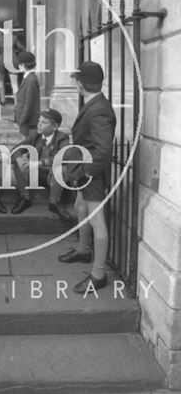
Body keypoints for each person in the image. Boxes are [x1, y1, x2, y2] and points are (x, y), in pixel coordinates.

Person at [58, 61, 116, 295]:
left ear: (81, 83)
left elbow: (103, 151)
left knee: (96, 221)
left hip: (91, 174)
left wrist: (84, 174)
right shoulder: (95, 104)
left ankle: (98, 274)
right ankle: (83, 250)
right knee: (79, 207)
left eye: (77, 81)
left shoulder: (99, 108)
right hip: (86, 172)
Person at [10, 109, 74, 221]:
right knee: (18, 162)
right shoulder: (34, 135)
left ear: (54, 126)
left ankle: (54, 203)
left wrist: (40, 163)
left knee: (62, 169)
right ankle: (25, 198)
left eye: (44, 122)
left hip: (52, 175)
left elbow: (64, 156)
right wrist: (20, 160)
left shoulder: (62, 137)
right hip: (35, 175)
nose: (39, 124)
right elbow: (16, 149)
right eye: (39, 121)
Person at [0, 25, 25, 105]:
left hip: (1, 62)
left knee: (0, 81)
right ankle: (16, 103)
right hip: (13, 61)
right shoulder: (13, 38)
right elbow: (22, 48)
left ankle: (3, 100)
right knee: (14, 83)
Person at [15, 51, 40, 136]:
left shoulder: (31, 80)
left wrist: (22, 121)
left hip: (29, 123)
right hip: (27, 123)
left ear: (22, 65)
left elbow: (29, 104)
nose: (18, 66)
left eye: (19, 64)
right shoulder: (28, 78)